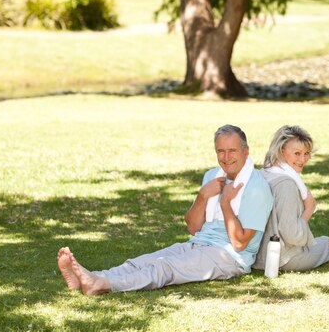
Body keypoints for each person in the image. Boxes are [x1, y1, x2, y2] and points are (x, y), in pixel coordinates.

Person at [57, 124, 272, 295]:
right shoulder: (212, 176)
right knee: (143, 261)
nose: (226, 158)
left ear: (246, 151)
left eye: (232, 151)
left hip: (229, 256)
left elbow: (240, 243)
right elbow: (193, 228)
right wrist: (203, 195)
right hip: (199, 244)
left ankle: (101, 284)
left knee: (164, 268)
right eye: (221, 151)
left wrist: (225, 203)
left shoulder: (256, 188)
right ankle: (86, 277)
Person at [253, 125, 329, 273]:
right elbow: (292, 235)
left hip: (259, 256)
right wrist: (309, 208)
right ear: (281, 151)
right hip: (284, 259)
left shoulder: (264, 173)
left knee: (318, 243)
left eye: (306, 153)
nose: (303, 159)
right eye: (297, 153)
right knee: (323, 247)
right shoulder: (286, 184)